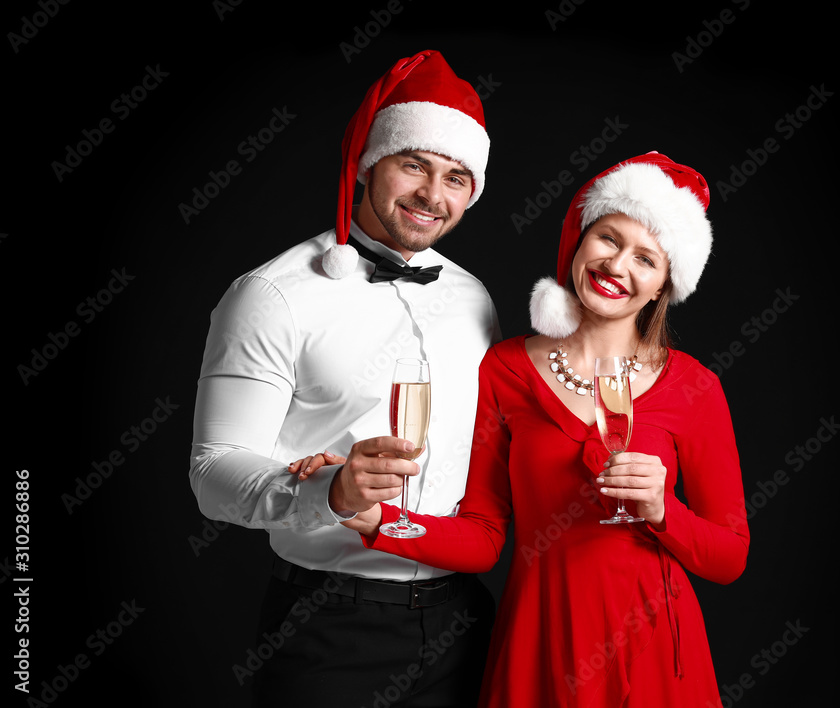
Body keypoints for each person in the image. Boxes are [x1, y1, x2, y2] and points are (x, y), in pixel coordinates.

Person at [296, 151, 750, 706]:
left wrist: (663, 512)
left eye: (646, 259)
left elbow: (729, 557)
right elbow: (485, 536)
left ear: (662, 285)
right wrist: (375, 519)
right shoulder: (507, 368)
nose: (617, 266)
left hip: (655, 646)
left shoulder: (693, 386)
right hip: (542, 642)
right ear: (579, 241)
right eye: (608, 239)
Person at [188, 50, 501, 707]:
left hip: (464, 624)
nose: (431, 196)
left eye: (455, 176)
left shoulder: (475, 300)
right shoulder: (270, 294)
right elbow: (212, 472)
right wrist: (328, 491)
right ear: (368, 163)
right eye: (413, 164)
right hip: (330, 626)